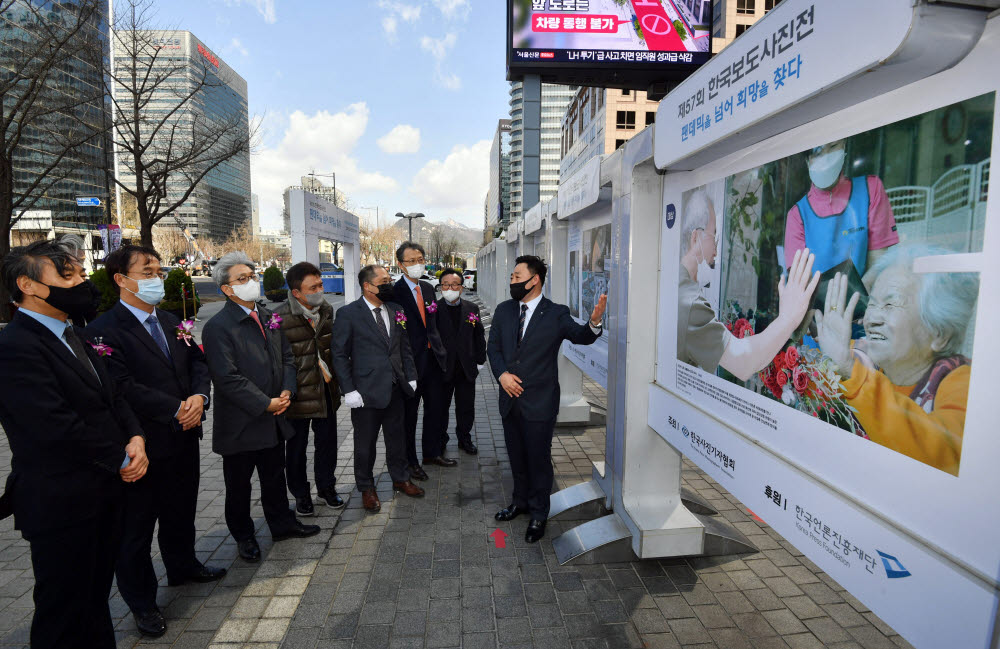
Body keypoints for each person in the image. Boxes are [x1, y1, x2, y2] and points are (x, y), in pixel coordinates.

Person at [0, 240, 149, 649]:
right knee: (63, 610)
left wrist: (136, 437)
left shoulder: (75, 333)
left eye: (81, 273)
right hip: (61, 502)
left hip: (103, 494)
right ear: (28, 285)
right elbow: (52, 425)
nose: (83, 282)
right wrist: (120, 457)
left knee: (95, 601)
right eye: (70, 276)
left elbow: (114, 395)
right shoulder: (15, 345)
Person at [85, 245, 225, 638]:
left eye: (159, 270)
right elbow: (121, 386)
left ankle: (183, 566)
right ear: (121, 279)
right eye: (147, 271)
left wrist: (199, 398)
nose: (157, 277)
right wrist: (175, 407)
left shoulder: (170, 320)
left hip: (184, 436)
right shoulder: (102, 330)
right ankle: (142, 603)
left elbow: (198, 362)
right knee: (136, 529)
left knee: (180, 511)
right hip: (142, 444)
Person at [814, 245, 977, 476]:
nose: (871, 319)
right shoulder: (857, 358)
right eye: (872, 304)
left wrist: (851, 373)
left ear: (939, 334)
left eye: (890, 304)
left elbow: (944, 453)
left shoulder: (962, 381)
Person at [202, 251, 320, 563]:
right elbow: (227, 378)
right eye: (242, 279)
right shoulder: (218, 327)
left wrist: (286, 391)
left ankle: (281, 524)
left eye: (252, 276)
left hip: (274, 416)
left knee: (274, 477)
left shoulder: (269, 316)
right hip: (242, 422)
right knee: (238, 486)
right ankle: (244, 536)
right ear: (227, 289)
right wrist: (263, 403)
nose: (252, 282)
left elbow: (288, 359)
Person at [487, 255, 606, 543]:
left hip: (539, 401)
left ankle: (540, 512)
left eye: (517, 277)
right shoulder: (504, 311)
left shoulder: (555, 313)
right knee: (515, 455)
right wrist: (502, 375)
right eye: (512, 277)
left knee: (538, 458)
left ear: (534, 279)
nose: (512, 281)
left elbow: (581, 336)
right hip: (509, 399)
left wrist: (594, 321)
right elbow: (494, 349)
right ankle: (520, 502)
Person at [678, 189, 820, 380]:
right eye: (714, 235)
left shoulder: (674, 283)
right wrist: (788, 318)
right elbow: (743, 362)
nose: (716, 247)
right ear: (696, 238)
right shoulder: (688, 302)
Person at [331, 265, 424, 513]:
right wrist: (348, 390)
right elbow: (339, 355)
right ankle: (366, 487)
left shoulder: (396, 310)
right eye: (383, 281)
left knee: (397, 439)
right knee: (365, 445)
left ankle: (400, 478)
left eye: (389, 280)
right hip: (365, 393)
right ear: (367, 286)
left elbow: (404, 348)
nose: (389, 284)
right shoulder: (348, 314)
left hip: (395, 388)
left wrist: (411, 376)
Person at [275, 262, 345, 516]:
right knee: (296, 450)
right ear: (296, 293)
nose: (319, 290)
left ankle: (327, 488)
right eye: (312, 287)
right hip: (298, 394)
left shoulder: (326, 310)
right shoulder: (280, 318)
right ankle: (301, 495)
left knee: (327, 444)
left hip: (326, 389)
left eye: (320, 284)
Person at [784, 139, 899, 284]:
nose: (826, 157)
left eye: (833, 146)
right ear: (807, 159)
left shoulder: (871, 190)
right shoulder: (797, 215)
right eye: (818, 151)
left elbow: (878, 264)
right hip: (816, 305)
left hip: (861, 300)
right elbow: (799, 281)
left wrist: (857, 299)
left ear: (844, 145)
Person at [392, 241, 448, 479]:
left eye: (420, 259)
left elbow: (433, 323)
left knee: (436, 410)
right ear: (400, 264)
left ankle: (431, 452)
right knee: (409, 416)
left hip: (433, 360)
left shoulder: (427, 288)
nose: (417, 264)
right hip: (410, 363)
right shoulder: (394, 293)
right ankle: (410, 461)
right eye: (411, 261)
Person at [423, 268, 487, 458]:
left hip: (466, 368)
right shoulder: (433, 309)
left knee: (466, 407)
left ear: (461, 287)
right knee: (441, 408)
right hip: (442, 369)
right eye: (446, 285)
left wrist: (480, 360)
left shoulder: (471, 309)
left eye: (454, 285)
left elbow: (479, 335)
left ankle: (464, 439)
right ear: (440, 286)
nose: (450, 288)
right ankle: (441, 440)